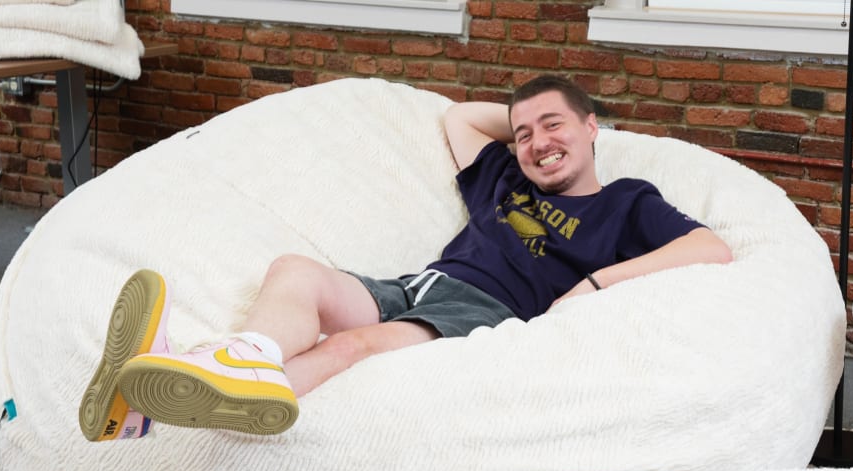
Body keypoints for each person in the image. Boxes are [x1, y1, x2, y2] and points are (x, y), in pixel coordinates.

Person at [79, 75, 733, 441]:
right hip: (417, 282)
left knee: (353, 346)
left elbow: (712, 247)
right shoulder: (504, 178)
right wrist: (529, 124)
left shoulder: (626, 202)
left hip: (485, 310)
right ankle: (233, 360)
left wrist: (596, 281)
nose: (537, 141)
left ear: (594, 129)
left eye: (556, 125)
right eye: (526, 132)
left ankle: (152, 407)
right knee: (294, 271)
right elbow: (459, 120)